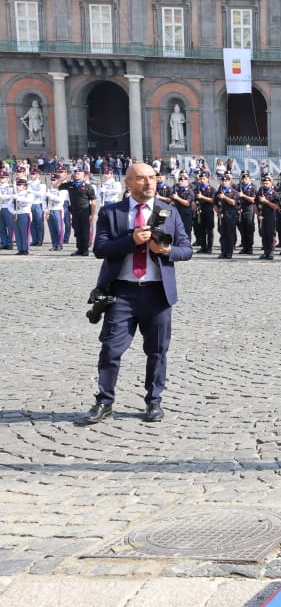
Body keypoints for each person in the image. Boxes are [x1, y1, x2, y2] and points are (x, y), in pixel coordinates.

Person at [83, 162, 194, 425]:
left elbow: (186, 249)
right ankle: (104, 401)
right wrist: (131, 241)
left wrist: (165, 252)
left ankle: (153, 401)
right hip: (122, 291)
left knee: (157, 350)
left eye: (152, 178)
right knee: (110, 348)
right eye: (141, 179)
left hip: (157, 292)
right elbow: (100, 248)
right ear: (128, 183)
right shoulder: (112, 212)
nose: (149, 183)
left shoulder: (169, 211)